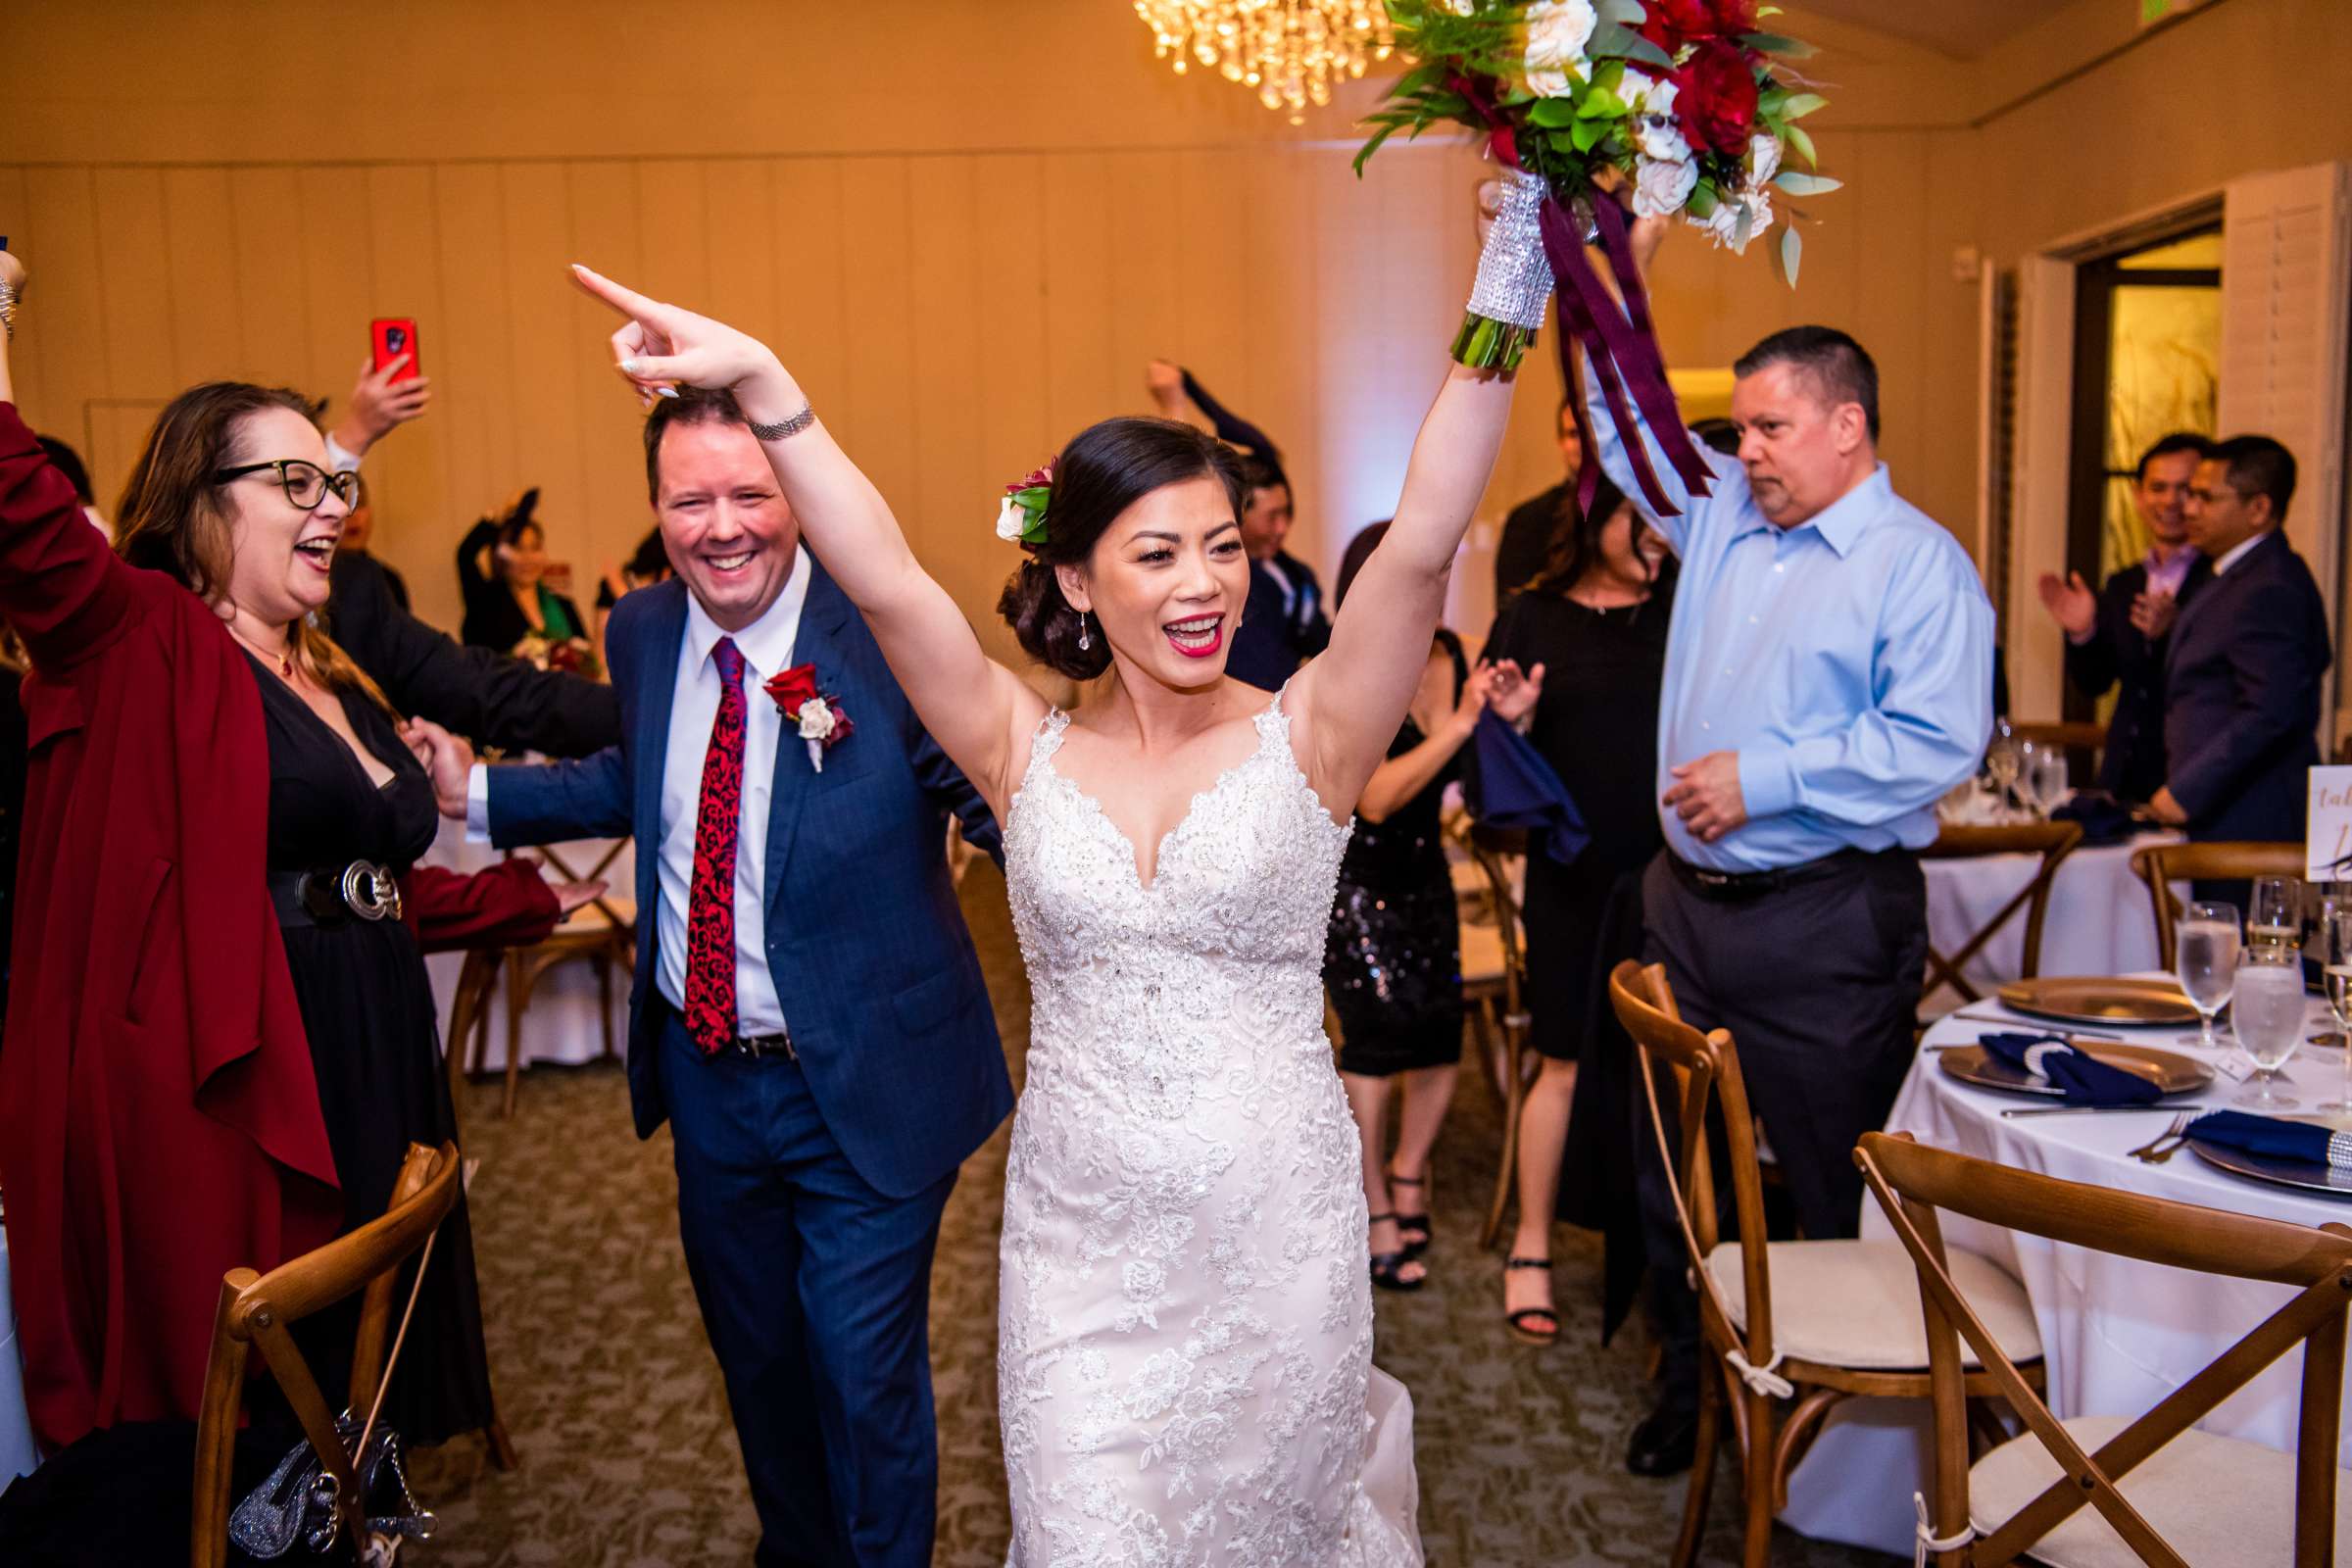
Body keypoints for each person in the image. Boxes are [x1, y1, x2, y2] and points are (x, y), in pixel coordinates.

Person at [555, 229, 1515, 1555]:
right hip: (1077, 1248)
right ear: (1076, 577)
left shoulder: (1318, 736)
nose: (1204, 585)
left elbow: (1422, 543)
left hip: (1275, 1233)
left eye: (1222, 549)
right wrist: (770, 388)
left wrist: (1511, 269)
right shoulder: (1018, 750)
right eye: (1159, 553)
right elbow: (884, 577)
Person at [418, 374, 1006, 1568]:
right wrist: (471, 795)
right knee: (761, 1367)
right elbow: (645, 783)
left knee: (859, 1371)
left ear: (796, 492)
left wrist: (1113, 846)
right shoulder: (640, 631)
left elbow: (990, 785)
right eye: (692, 500)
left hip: (871, 1080)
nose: (723, 524)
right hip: (711, 1085)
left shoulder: (885, 631)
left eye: (751, 492)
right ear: (655, 507)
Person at [0, 298, 565, 1454]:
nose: (334, 508)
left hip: (373, 1031)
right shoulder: (150, 638)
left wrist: (503, 884)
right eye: (297, 485)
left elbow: (355, 862)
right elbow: (32, 540)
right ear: (205, 508)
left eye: (337, 486)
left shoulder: (329, 662)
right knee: (282, 1377)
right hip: (264, 1059)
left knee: (368, 1359)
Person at [1586, 215, 1994, 1478]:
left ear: (1846, 426)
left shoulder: (1918, 568)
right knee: (1675, 1172)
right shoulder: (1716, 514)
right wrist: (1613, 268)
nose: (1743, 450)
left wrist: (1763, 780)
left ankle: (1845, 1443)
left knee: (1831, 1170)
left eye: (1768, 427)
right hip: (1685, 909)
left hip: (1826, 917)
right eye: (1740, 430)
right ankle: (1689, 1380)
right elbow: (1621, 427)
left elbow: (1939, 744)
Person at [1481, 468, 1673, 1348]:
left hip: (1675, 879)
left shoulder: (1687, 613)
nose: (1662, 537)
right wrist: (1514, 723)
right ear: (1598, 516)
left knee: (1672, 1068)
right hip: (1572, 875)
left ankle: (1673, 1251)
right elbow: (1489, 762)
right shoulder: (1532, 615)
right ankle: (1531, 1247)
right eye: (1645, 516)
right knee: (1560, 1061)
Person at [1323, 524, 1496, 1294]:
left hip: (1429, 876)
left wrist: (1504, 717)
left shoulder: (1454, 654)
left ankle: (1411, 1171)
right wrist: (1459, 724)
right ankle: (1373, 1201)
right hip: (1358, 886)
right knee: (1377, 1039)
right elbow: (1379, 795)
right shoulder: (1342, 670)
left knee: (1439, 1035)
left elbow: (1470, 768)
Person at [318, 354, 621, 756]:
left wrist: (644, 712)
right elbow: (466, 554)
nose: (340, 511)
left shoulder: (360, 588)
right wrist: (355, 435)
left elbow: (492, 690)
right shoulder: (489, 599)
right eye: (298, 485)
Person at [2149, 435, 2329, 871]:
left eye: (2206, 498)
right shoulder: (2234, 574)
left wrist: (2188, 790)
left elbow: (2272, 709)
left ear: (2258, 509)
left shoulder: (2269, 585)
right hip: (2227, 812)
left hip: (2251, 818)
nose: (2188, 509)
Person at [2034, 432, 2211, 802]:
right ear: (2138, 495)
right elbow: (2096, 682)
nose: (2170, 501)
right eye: (2158, 488)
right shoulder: (2125, 583)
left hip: (2189, 778)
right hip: (2123, 777)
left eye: (2185, 489)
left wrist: (2173, 630)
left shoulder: (2220, 578)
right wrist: (2084, 633)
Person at [1147, 361, 1333, 690]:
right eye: (1271, 517)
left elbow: (1322, 646)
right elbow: (1180, 498)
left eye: (1287, 513)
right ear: (1237, 517)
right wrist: (1173, 404)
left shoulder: (1296, 574)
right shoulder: (1225, 574)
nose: (1282, 528)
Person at [457, 487, 590, 659]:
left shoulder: (563, 606)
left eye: (534, 548)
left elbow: (586, 658)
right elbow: (465, 554)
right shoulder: (486, 603)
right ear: (502, 554)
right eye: (518, 549)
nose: (528, 558)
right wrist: (500, 517)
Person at [1493, 395, 1585, 603]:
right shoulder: (1528, 520)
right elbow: (1511, 616)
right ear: (1560, 441)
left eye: (1595, 431)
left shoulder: (1640, 516)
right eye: (1574, 434)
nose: (1586, 443)